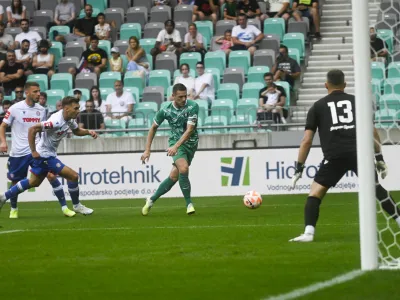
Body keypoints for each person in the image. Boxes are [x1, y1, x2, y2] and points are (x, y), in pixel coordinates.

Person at [289, 69, 400, 242]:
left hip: (334, 155)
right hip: (359, 153)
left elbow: (306, 140)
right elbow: (373, 132)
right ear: (345, 84)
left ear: (326, 85)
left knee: (315, 193)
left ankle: (308, 233)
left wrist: (299, 167)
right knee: (376, 188)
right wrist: (379, 158)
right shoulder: (358, 102)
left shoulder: (317, 106)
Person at [0, 95, 97, 215]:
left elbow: (77, 131)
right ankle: (77, 205)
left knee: (33, 182)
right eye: (76, 108)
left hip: (48, 154)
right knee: (73, 176)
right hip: (45, 156)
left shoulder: (70, 120)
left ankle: (3, 197)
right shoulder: (55, 121)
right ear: (66, 109)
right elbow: (32, 129)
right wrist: (33, 151)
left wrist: (88, 132)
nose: (78, 111)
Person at [141, 83, 199, 215]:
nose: (184, 99)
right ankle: (189, 204)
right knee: (183, 168)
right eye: (180, 97)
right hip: (175, 143)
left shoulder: (193, 106)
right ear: (173, 96)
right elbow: (153, 128)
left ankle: (151, 199)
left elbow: (190, 130)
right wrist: (147, 150)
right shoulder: (165, 110)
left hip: (191, 144)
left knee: (174, 176)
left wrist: (177, 146)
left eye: (185, 96)